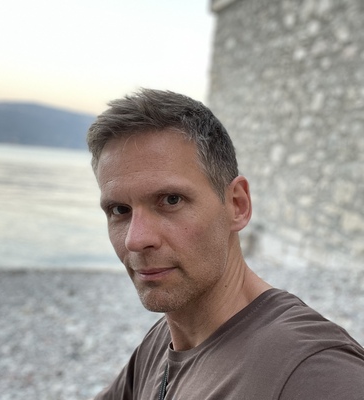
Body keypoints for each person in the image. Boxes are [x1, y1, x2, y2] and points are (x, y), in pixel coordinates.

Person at [87, 89, 364, 399]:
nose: (136, 239)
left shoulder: (314, 372)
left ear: (237, 205)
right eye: (119, 210)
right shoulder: (162, 342)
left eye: (171, 200)